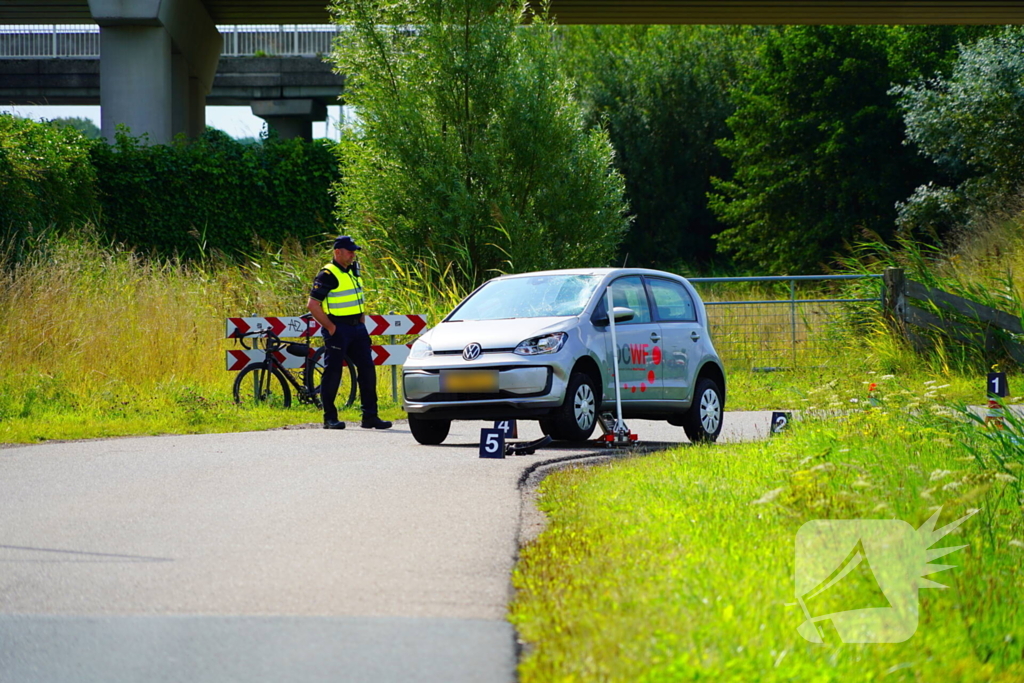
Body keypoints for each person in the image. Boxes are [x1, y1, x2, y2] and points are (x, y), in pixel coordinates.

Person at [307, 236, 393, 430]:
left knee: (368, 371)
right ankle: (330, 418)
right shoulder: (327, 274)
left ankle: (370, 416)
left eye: (354, 251)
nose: (353, 254)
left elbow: (357, 299)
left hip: (357, 328)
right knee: (333, 372)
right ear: (338, 252)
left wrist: (361, 320)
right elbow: (313, 305)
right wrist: (331, 327)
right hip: (339, 328)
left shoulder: (353, 271)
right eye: (349, 251)